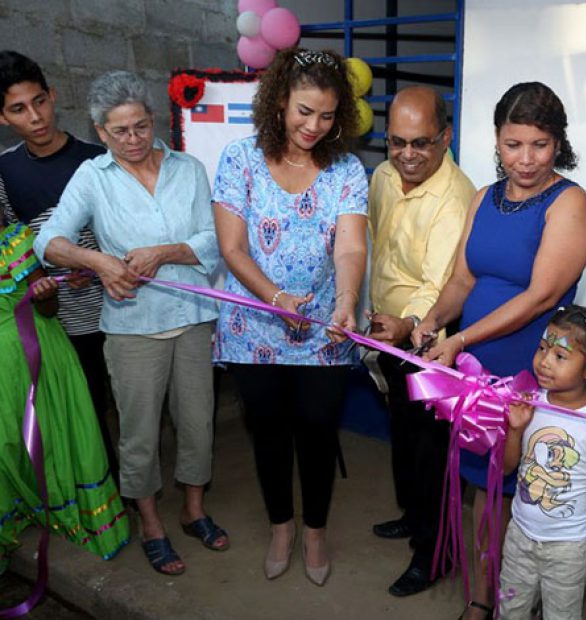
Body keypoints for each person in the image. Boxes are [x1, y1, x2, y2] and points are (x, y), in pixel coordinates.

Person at [414, 82, 586, 619]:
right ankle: (484, 595)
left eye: (539, 145)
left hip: (532, 369)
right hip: (474, 370)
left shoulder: (569, 203)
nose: (525, 158)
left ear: (558, 143)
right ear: (496, 140)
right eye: (513, 144)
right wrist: (432, 321)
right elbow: (463, 278)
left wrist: (460, 339)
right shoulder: (484, 198)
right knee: (483, 485)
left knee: (532, 490)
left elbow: (541, 295)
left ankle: (533, 598)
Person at [34, 70, 224, 577]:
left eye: (140, 126)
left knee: (197, 423)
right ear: (100, 131)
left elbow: (212, 239)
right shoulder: (94, 178)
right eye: (120, 131)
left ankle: (193, 509)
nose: (133, 140)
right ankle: (150, 523)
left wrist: (164, 252)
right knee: (139, 432)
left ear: (154, 119)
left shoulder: (189, 168)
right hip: (133, 325)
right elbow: (48, 239)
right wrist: (99, 263)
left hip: (192, 318)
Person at [212, 48, 367, 587]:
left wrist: (346, 300)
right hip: (254, 326)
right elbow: (231, 248)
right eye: (304, 111)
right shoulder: (240, 158)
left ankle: (316, 530)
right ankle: (282, 525)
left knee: (319, 430)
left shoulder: (347, 169)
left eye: (327, 116)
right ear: (280, 100)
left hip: (325, 327)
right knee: (270, 431)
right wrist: (276, 297)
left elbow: (349, 249)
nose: (314, 126)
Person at [366, 85, 476, 597]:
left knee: (431, 454)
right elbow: (374, 247)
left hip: (428, 343)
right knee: (404, 440)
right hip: (385, 335)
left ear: (446, 137)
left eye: (421, 143)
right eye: (396, 142)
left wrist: (409, 326)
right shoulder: (383, 177)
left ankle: (435, 555)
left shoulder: (456, 196)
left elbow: (441, 283)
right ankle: (413, 518)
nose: (407, 155)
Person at [0, 51, 118, 482]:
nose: (35, 116)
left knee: (124, 401)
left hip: (117, 309)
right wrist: (37, 283)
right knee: (79, 403)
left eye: (40, 101)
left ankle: (131, 490)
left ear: (52, 96)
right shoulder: (6, 172)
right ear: (3, 116)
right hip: (55, 320)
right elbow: (13, 249)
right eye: (18, 109)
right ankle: (95, 489)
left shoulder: (98, 158)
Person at [0, 199, 129, 566]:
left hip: (40, 357)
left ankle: (66, 513)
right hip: (2, 373)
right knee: (8, 444)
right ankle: (26, 510)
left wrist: (46, 294)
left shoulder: (17, 240)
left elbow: (48, 309)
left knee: (54, 436)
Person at [500, 305, 586, 619]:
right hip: (520, 533)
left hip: (568, 547)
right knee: (510, 610)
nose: (544, 361)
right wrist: (516, 430)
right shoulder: (529, 402)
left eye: (560, 356)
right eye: (543, 348)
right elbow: (506, 468)